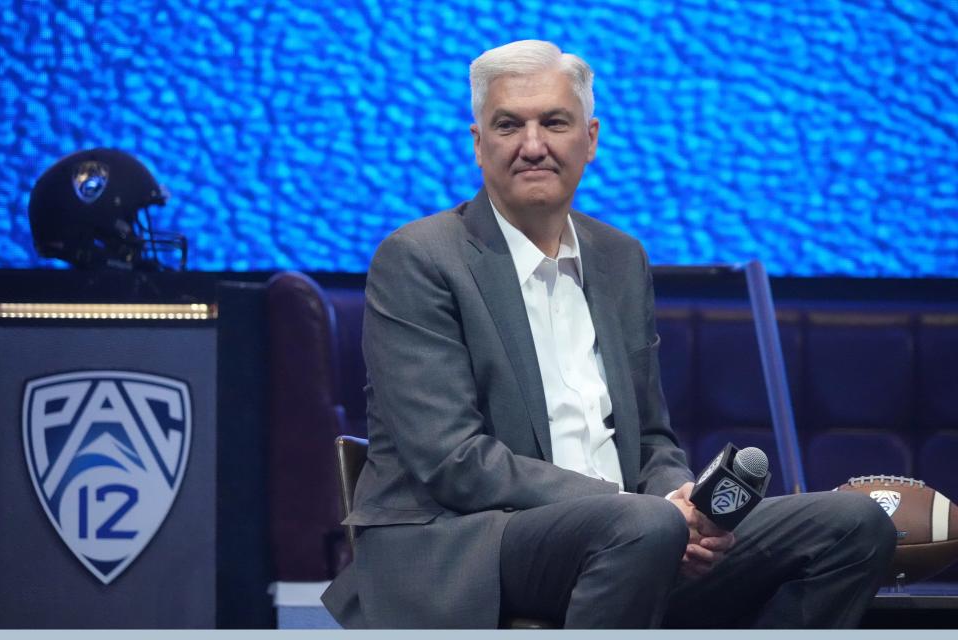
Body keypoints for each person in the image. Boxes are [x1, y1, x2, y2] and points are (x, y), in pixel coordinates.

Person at [321, 40, 896, 629]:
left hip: (636, 533)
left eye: (554, 122)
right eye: (508, 125)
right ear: (478, 145)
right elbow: (453, 459)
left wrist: (688, 507)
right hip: (473, 542)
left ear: (590, 139)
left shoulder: (619, 258)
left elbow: (651, 441)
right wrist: (638, 507)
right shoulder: (419, 258)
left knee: (853, 525)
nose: (533, 145)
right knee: (642, 526)